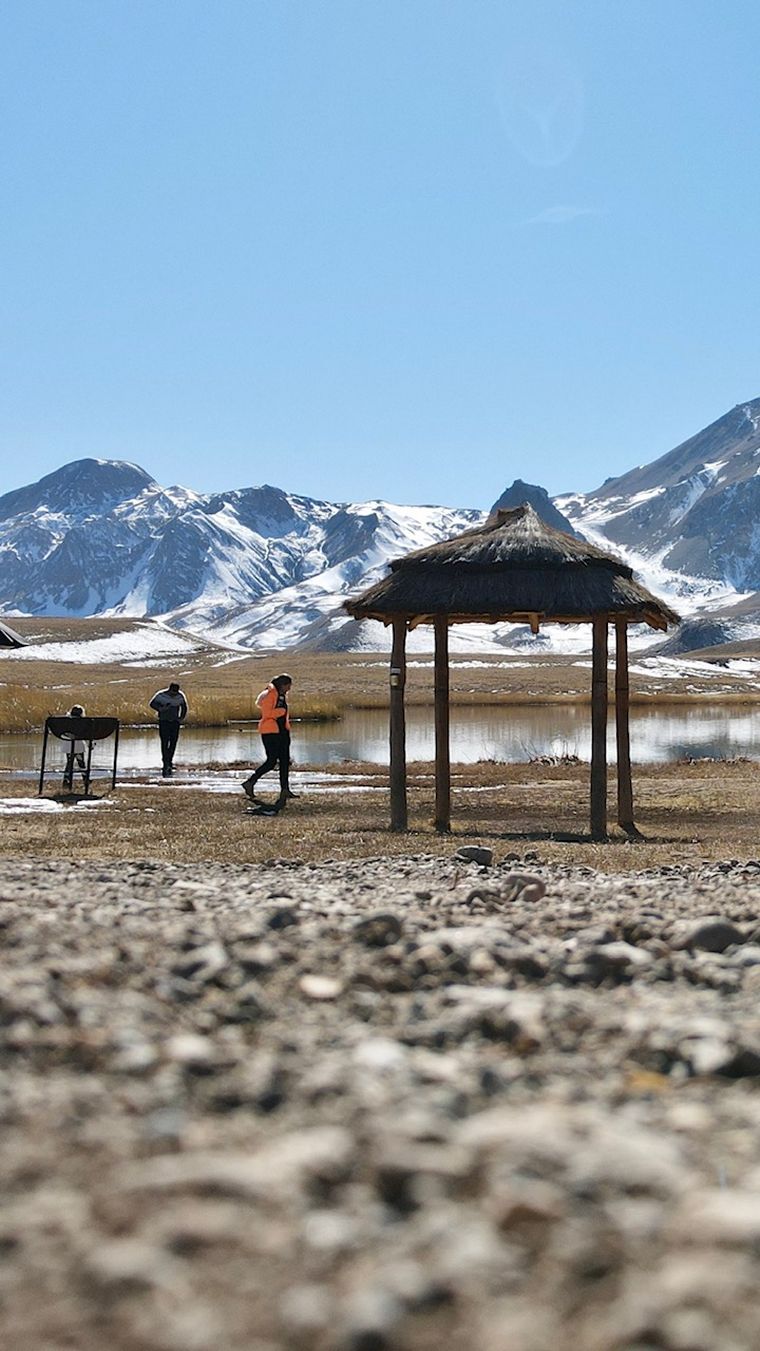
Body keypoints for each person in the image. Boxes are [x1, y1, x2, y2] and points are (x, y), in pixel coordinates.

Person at [242, 673, 297, 807]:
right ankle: (250, 782)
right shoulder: (270, 694)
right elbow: (267, 714)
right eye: (288, 686)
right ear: (282, 685)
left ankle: (285, 790)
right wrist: (281, 712)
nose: (289, 688)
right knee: (271, 761)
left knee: (285, 761)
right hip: (270, 732)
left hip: (282, 731)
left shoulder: (281, 695)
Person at [149, 681, 188, 778]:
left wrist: (181, 718)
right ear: (169, 689)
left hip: (175, 722)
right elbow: (152, 704)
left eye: (176, 692)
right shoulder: (161, 695)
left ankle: (169, 761)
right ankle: (165, 762)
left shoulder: (180, 696)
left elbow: (184, 707)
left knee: (173, 742)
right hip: (164, 721)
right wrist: (160, 709)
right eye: (173, 692)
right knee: (164, 742)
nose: (174, 694)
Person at [63, 704, 87, 790]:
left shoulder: (66, 722)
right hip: (79, 746)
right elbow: (86, 735)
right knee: (81, 763)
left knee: (69, 763)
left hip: (68, 746)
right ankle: (85, 779)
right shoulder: (83, 723)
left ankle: (66, 781)